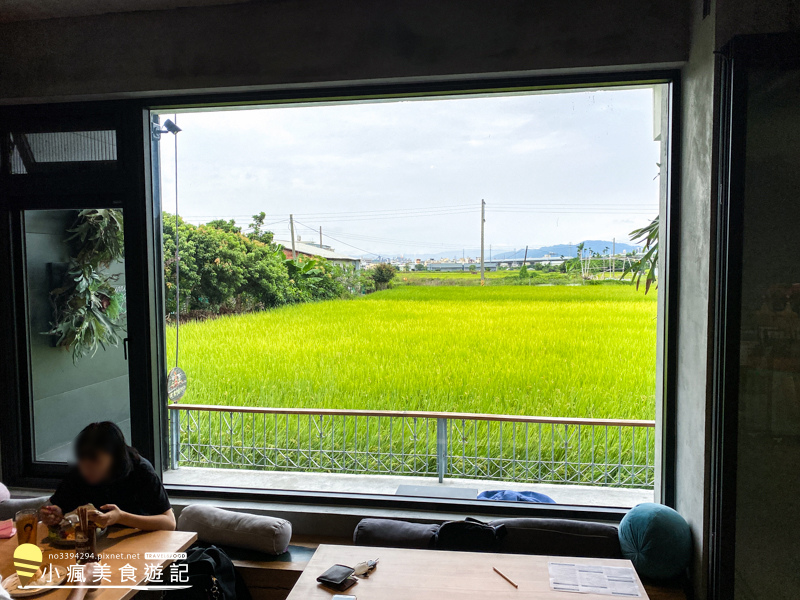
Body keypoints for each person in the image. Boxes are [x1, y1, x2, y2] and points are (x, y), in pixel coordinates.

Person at [40, 422, 175, 531]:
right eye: (82, 461)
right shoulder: (78, 473)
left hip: (142, 543)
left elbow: (169, 522)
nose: (86, 471)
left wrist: (121, 517)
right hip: (96, 546)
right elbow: (58, 508)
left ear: (114, 457)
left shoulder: (140, 470)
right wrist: (55, 515)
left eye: (96, 462)